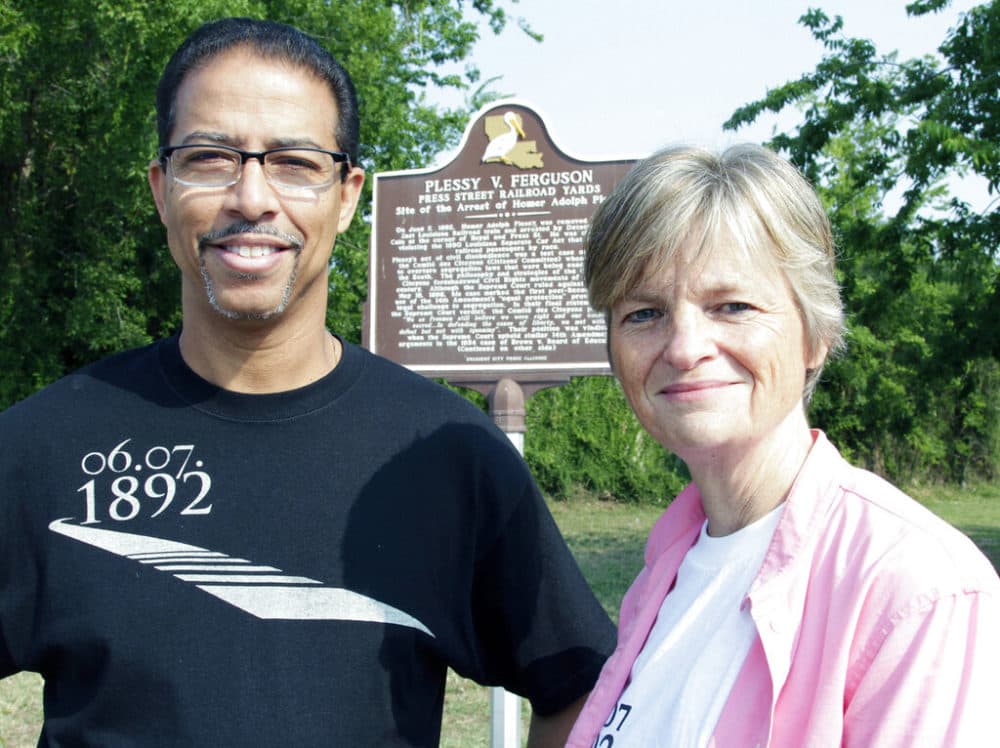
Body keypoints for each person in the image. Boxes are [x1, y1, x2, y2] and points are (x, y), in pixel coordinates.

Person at [0, 17, 615, 746]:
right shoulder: (40, 447)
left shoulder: (445, 455)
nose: (252, 197)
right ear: (162, 189)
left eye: (294, 162)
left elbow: (582, 691)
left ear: (347, 194)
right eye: (210, 157)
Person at [566, 144, 1000, 747]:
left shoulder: (915, 589)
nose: (685, 347)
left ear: (815, 336)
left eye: (733, 306)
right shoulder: (668, 566)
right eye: (644, 313)